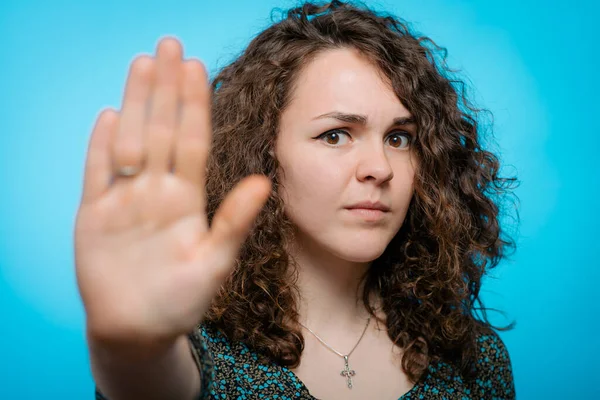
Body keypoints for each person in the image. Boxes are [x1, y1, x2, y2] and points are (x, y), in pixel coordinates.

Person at [74, 1, 518, 399]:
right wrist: (133, 348)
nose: (380, 168)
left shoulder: (473, 357)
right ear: (265, 151)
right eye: (335, 135)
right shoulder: (201, 351)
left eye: (399, 138)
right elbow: (153, 382)